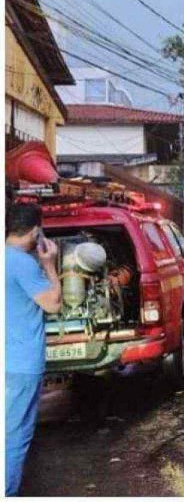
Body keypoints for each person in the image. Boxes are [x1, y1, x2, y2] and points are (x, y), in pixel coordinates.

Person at [6, 202, 61, 495]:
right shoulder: (23, 263)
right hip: (20, 365)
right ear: (35, 231)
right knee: (14, 438)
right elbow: (53, 303)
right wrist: (50, 265)